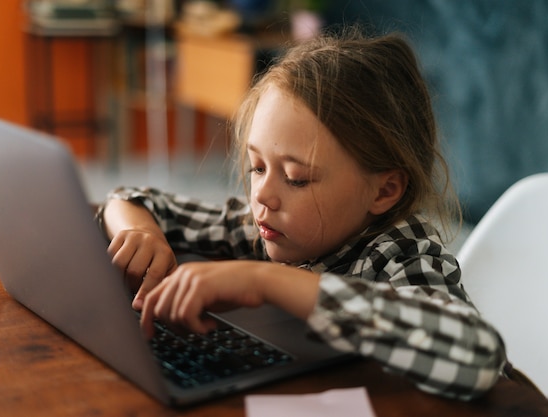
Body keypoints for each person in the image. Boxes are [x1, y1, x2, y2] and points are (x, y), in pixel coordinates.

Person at [95, 26, 506, 400]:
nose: (263, 197)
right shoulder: (267, 227)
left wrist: (267, 281)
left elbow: (478, 355)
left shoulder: (402, 253)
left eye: (296, 178)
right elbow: (130, 198)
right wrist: (141, 234)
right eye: (257, 167)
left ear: (384, 190)